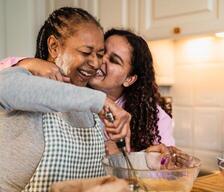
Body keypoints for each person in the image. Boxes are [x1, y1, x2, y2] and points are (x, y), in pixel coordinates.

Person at [0, 7, 131, 192]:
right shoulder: (22, 79)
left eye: (99, 53)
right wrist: (100, 101)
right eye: (86, 52)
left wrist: (133, 160)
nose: (95, 63)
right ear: (54, 46)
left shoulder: (90, 107)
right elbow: (5, 87)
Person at [0, 29, 175, 153]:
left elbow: (162, 177)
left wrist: (127, 155)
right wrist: (28, 63)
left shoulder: (155, 118)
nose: (98, 61)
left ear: (129, 79)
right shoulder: (69, 84)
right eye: (101, 52)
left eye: (114, 60)